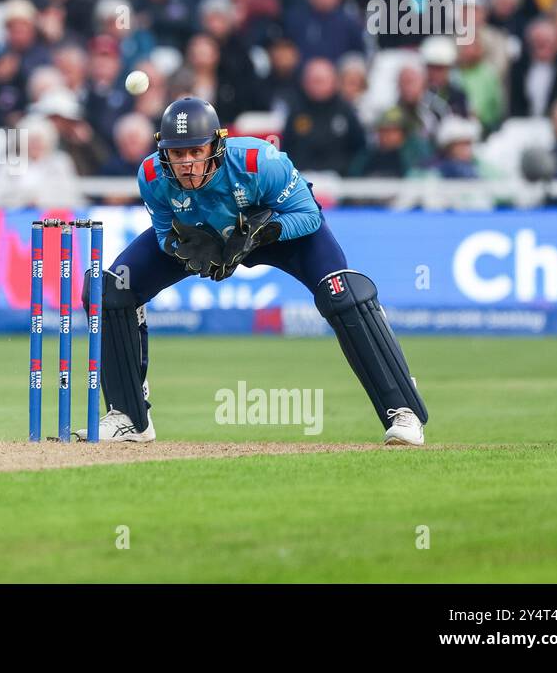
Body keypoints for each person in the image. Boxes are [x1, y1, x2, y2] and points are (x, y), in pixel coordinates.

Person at [84, 97, 428, 446]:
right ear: (164, 153)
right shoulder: (152, 175)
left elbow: (309, 215)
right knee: (111, 289)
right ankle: (129, 417)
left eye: (196, 152)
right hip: (202, 235)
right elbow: (161, 232)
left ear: (216, 146)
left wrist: (263, 234)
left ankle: (403, 409)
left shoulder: (259, 160)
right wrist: (180, 249)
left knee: (342, 293)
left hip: (278, 230)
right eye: (177, 154)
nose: (187, 164)